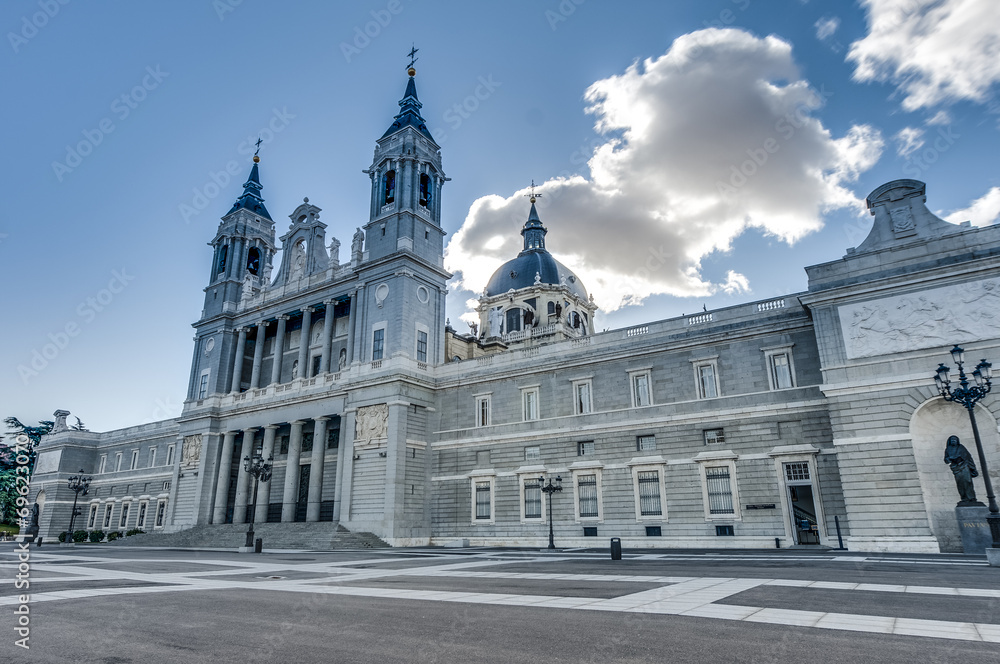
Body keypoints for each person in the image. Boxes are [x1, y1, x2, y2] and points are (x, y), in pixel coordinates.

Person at [944, 435, 981, 505]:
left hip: (964, 465)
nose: (953, 441)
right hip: (956, 468)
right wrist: (950, 459)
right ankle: (964, 498)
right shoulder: (948, 449)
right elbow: (946, 460)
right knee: (960, 483)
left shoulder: (961, 448)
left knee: (968, 481)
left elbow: (968, 457)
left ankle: (972, 498)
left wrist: (973, 468)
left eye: (955, 440)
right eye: (952, 440)